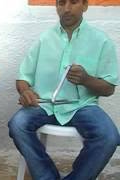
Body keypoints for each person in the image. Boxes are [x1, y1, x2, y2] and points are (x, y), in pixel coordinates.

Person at [8, 0, 120, 179]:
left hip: (82, 106)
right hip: (44, 105)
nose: (66, 9)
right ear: (56, 6)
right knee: (17, 124)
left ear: (85, 6)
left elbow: (108, 89)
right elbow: (23, 78)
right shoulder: (44, 39)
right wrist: (25, 91)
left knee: (109, 137)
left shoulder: (101, 41)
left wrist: (86, 80)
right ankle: (47, 176)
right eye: (61, 3)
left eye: (73, 2)